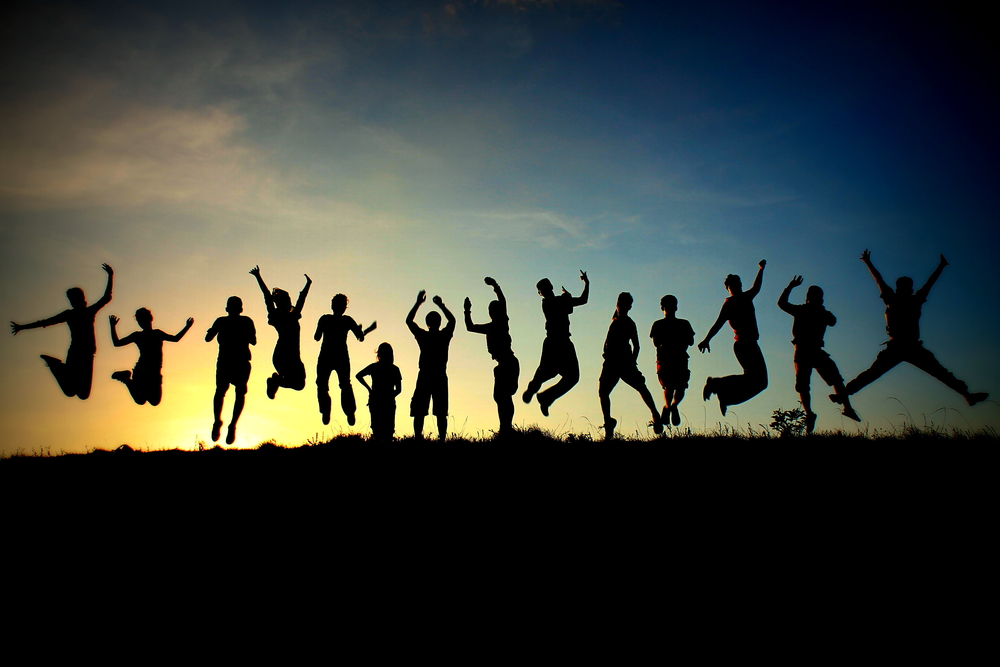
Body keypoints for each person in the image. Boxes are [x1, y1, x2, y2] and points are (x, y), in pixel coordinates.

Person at [838, 250, 988, 407]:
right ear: (908, 289)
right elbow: (927, 282)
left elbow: (880, 280)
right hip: (903, 347)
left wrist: (868, 262)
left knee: (874, 374)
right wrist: (941, 266)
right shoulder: (907, 299)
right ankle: (844, 394)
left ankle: (843, 394)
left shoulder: (900, 299)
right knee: (939, 373)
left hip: (907, 347)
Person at [10, 263, 114, 400]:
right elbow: (45, 322)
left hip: (87, 354)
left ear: (81, 298)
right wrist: (22, 327)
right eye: (70, 300)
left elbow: (106, 298)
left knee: (79, 393)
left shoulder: (88, 312)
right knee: (75, 393)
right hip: (78, 353)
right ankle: (54, 364)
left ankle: (55, 364)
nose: (72, 302)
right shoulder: (72, 314)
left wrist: (110, 276)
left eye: (73, 299)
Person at [777, 276, 860, 433]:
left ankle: (823, 412)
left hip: (809, 351)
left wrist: (790, 287)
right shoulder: (812, 311)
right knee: (811, 384)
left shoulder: (806, 310)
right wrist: (820, 309)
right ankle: (837, 409)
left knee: (818, 382)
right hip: (808, 350)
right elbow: (832, 320)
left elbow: (782, 303)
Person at [698, 260, 768, 415]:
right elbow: (718, 324)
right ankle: (716, 384)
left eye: (738, 284)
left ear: (740, 285)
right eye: (732, 285)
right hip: (743, 345)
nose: (736, 287)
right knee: (757, 380)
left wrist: (761, 269)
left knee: (760, 382)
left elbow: (756, 287)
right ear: (728, 288)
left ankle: (725, 397)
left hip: (750, 344)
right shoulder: (729, 304)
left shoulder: (746, 297)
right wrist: (707, 339)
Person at [523, 270, 590, 415]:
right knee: (550, 372)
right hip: (556, 342)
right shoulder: (548, 303)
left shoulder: (560, 300)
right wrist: (569, 295)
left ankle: (544, 396)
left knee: (566, 376)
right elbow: (570, 303)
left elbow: (583, 300)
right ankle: (538, 391)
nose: (542, 293)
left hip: (562, 342)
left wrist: (586, 284)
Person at [598, 293, 663, 440]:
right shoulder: (615, 321)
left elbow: (637, 346)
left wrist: (632, 360)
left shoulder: (629, 323)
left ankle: (655, 414)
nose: (622, 306)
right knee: (603, 392)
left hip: (624, 361)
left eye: (626, 304)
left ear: (629, 306)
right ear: (618, 304)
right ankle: (608, 423)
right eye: (621, 303)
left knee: (641, 387)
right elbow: (609, 341)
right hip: (611, 362)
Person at [464, 277, 520, 436]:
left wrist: (495, 286)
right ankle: (505, 428)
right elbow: (470, 327)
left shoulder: (501, 322)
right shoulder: (492, 326)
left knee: (504, 396)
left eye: (494, 310)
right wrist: (467, 310)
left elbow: (502, 300)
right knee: (501, 397)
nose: (492, 312)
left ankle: (506, 428)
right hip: (504, 364)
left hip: (508, 363)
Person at [109, 308, 194, 406]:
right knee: (140, 400)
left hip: (154, 371)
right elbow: (117, 343)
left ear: (150, 318)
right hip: (142, 370)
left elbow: (175, 339)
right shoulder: (138, 335)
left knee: (154, 401)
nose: (141, 323)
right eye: (139, 320)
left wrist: (187, 326)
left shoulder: (157, 333)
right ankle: (125, 379)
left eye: (142, 319)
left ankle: (126, 378)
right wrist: (112, 326)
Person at [315, 294, 376, 426]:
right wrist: (364, 331)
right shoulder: (347, 320)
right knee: (344, 385)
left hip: (326, 356)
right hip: (340, 356)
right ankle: (349, 412)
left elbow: (316, 337)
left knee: (323, 384)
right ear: (344, 308)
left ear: (332, 305)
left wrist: (323, 328)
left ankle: (326, 411)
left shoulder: (325, 319)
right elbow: (360, 338)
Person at [250, 265, 311, 399]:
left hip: (289, 356)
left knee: (299, 385)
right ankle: (275, 382)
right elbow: (268, 296)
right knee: (299, 384)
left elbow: (300, 298)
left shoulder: (287, 315)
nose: (290, 301)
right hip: (285, 356)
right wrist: (258, 277)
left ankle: (275, 382)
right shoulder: (288, 316)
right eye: (287, 299)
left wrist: (308, 284)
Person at [206, 296, 257, 445]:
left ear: (227, 308)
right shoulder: (229, 321)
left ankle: (228, 424)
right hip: (229, 361)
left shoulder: (239, 321)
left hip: (237, 361)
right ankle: (223, 423)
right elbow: (208, 338)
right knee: (229, 392)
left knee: (229, 392)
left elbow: (253, 340)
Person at [406, 290, 456, 440]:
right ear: (439, 323)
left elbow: (409, 321)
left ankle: (418, 438)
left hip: (427, 375)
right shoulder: (443, 336)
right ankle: (441, 439)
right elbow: (452, 321)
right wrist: (441, 305)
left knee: (421, 411)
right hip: (437, 375)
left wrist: (418, 303)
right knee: (439, 412)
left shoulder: (424, 336)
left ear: (427, 323)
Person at [649, 295, 695, 427]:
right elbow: (656, 343)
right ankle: (670, 406)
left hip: (676, 358)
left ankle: (670, 406)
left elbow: (690, 341)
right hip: (668, 359)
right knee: (672, 387)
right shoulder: (660, 324)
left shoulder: (682, 324)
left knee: (677, 387)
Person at [356, 342, 403, 441]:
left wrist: (369, 390)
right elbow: (399, 390)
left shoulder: (374, 367)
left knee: (377, 429)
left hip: (375, 400)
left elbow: (358, 375)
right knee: (388, 430)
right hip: (388, 402)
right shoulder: (394, 369)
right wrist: (389, 396)